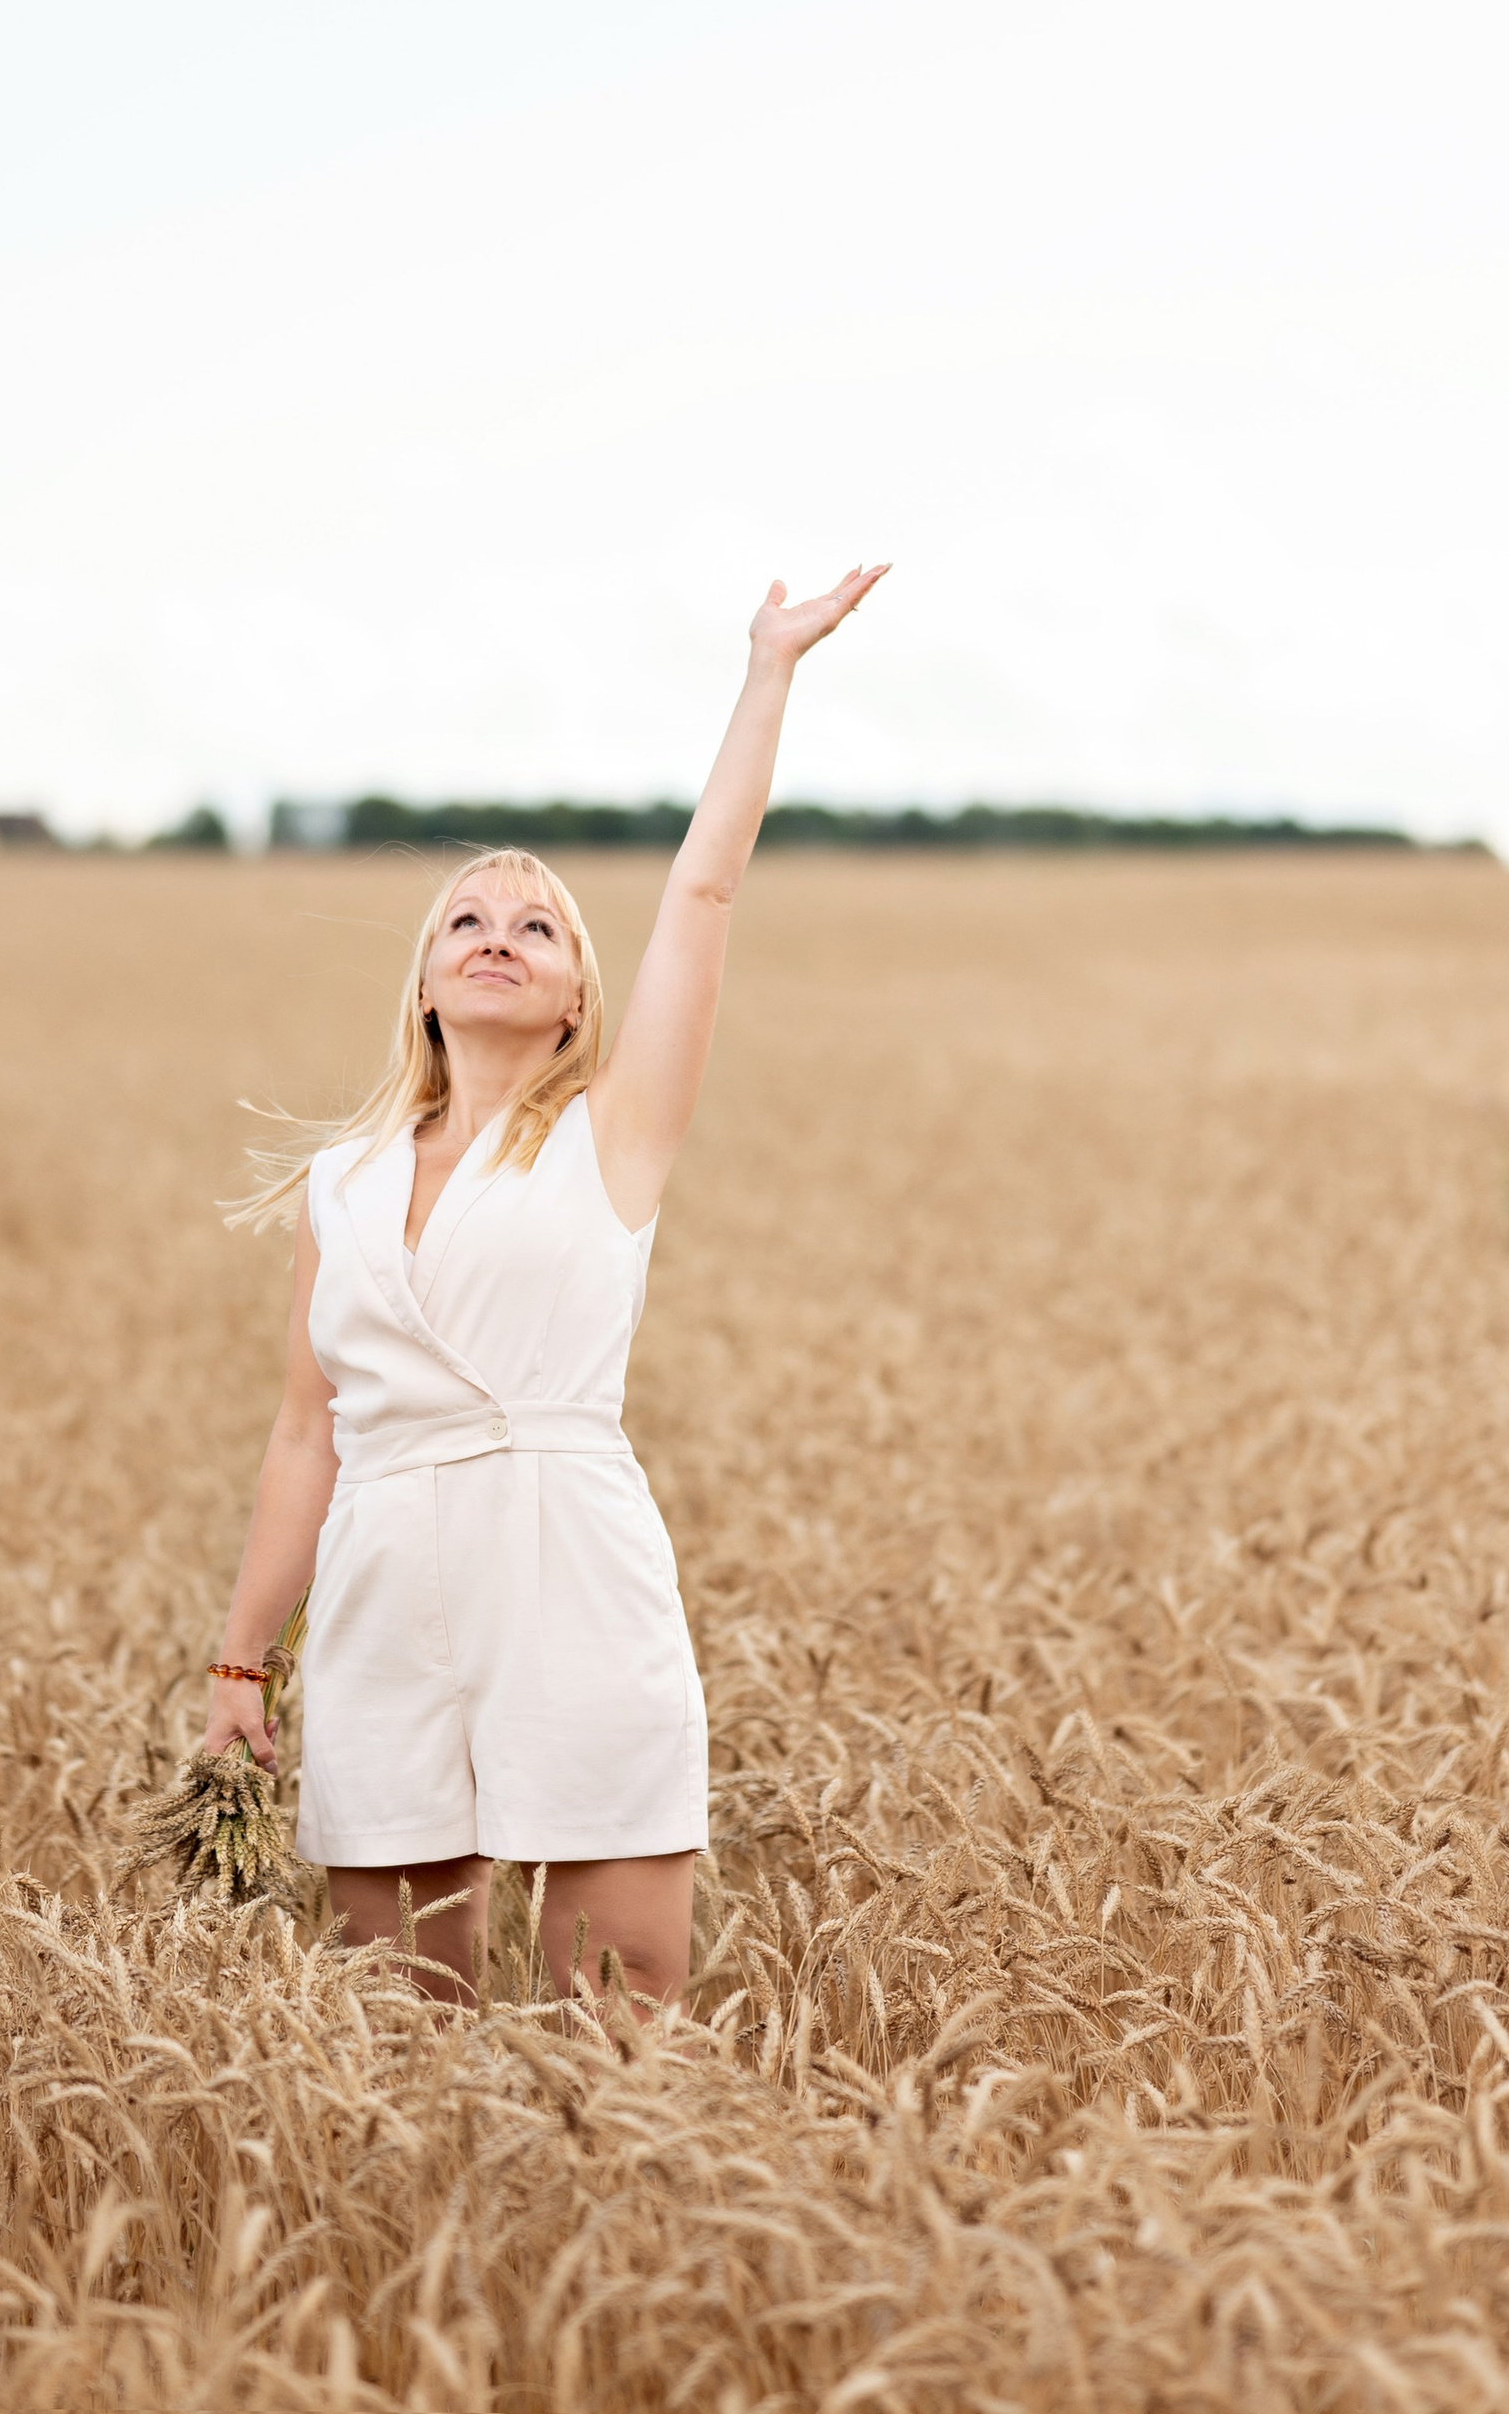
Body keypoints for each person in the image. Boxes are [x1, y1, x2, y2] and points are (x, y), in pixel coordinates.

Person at [205, 567, 887, 2009]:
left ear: (581, 996)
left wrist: (768, 668)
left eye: (538, 927)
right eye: (465, 921)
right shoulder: (342, 1183)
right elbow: (306, 1434)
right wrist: (241, 1667)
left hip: (568, 1557)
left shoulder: (613, 1136)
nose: (498, 937)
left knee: (620, 1988)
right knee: (398, 2007)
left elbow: (704, 888)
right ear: (424, 986)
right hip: (386, 1578)